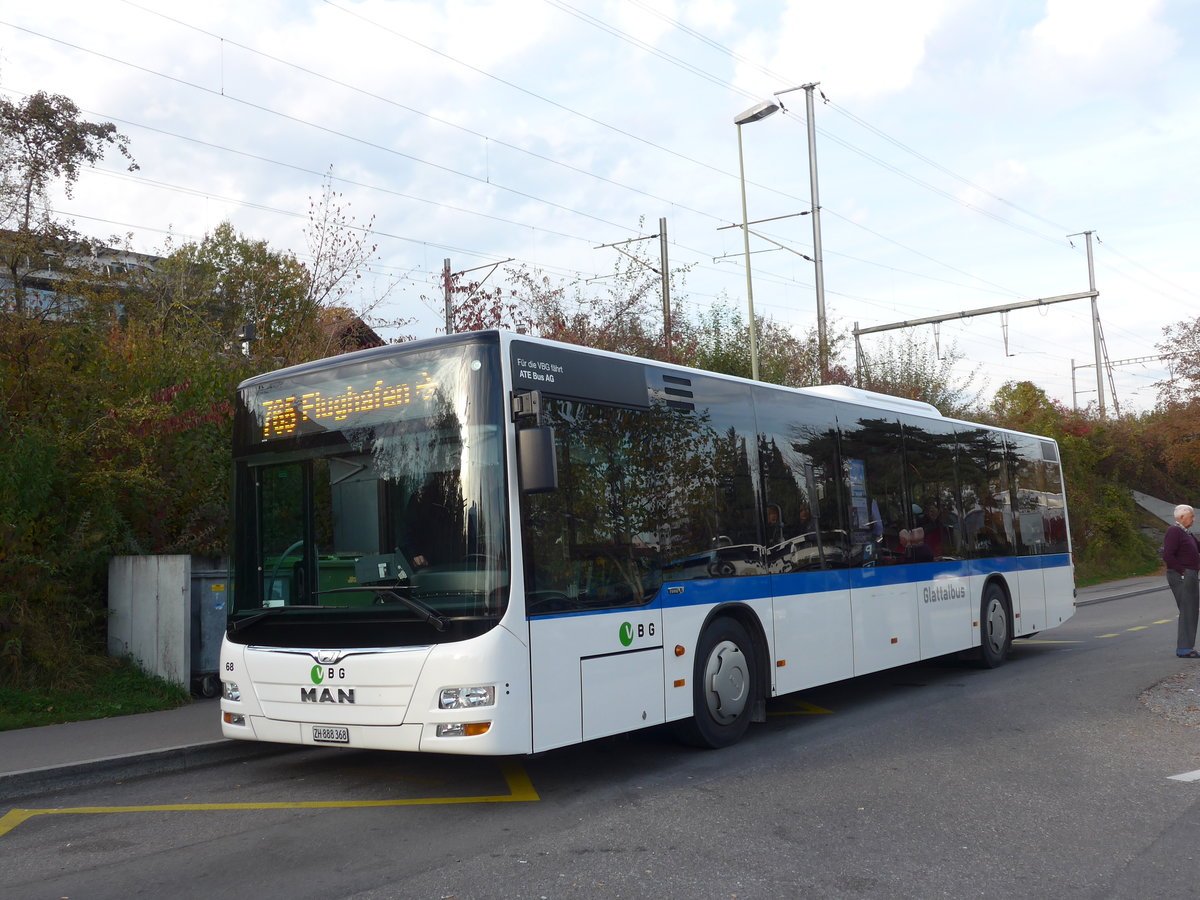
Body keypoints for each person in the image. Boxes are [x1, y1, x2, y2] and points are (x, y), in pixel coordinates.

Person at [1162, 503, 1200, 659]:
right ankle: (1184, 648)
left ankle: (1187, 647)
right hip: (1182, 576)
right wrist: (1182, 571)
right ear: (1182, 517)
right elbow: (1168, 555)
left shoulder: (1187, 534)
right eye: (1192, 517)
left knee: (1191, 610)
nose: (1194, 520)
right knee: (1187, 610)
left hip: (1190, 574)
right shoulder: (1174, 531)